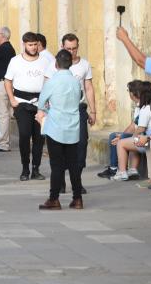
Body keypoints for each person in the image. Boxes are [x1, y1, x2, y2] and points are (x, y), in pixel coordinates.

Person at [35, 49, 83, 210]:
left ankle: (54, 198)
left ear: (56, 64)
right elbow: (80, 98)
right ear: (70, 63)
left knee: (56, 165)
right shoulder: (76, 81)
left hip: (55, 126)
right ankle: (77, 198)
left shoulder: (52, 82)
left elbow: (41, 103)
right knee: (73, 164)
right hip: (73, 126)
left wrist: (48, 108)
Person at [4, 32, 52, 181]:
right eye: (30, 45)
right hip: (21, 102)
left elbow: (51, 80)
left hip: (40, 104)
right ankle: (25, 167)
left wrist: (49, 102)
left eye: (35, 44)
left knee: (39, 138)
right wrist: (12, 100)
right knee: (24, 135)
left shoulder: (45, 61)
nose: (33, 47)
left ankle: (36, 169)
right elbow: (7, 81)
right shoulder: (15, 61)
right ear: (24, 44)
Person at [58, 33, 96, 193]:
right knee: (60, 146)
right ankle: (59, 180)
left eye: (74, 48)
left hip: (79, 109)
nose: (72, 51)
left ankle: (77, 181)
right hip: (59, 110)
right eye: (68, 48)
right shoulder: (55, 65)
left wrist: (93, 111)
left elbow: (88, 88)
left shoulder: (84, 65)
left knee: (81, 144)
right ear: (62, 47)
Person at [110, 81, 151, 181]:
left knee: (121, 143)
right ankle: (132, 170)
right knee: (130, 140)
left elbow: (140, 128)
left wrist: (133, 137)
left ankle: (122, 172)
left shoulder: (146, 108)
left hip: (147, 141)